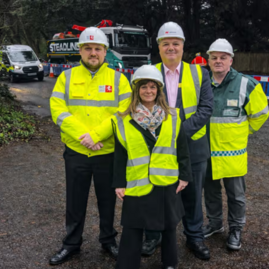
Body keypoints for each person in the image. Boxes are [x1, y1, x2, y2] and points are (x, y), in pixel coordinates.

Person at [48, 27, 132, 265]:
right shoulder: (66, 77)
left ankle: (108, 241)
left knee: (108, 200)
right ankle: (71, 244)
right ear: (81, 51)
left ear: (105, 51)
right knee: (75, 200)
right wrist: (84, 137)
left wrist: (96, 135)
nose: (93, 53)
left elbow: (123, 113)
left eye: (97, 48)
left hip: (107, 151)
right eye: (88, 48)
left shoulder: (119, 79)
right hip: (77, 151)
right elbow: (58, 111)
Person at [142, 22, 213, 261]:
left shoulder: (199, 73)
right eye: (166, 44)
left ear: (183, 46)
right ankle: (154, 235)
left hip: (193, 146)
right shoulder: (147, 72)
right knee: (157, 193)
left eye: (175, 43)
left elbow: (205, 109)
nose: (171, 48)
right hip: (157, 146)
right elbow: (139, 106)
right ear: (159, 47)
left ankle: (194, 237)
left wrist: (178, 132)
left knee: (193, 195)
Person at [113, 65, 192, 269]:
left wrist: (184, 176)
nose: (149, 91)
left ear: (159, 90)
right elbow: (120, 155)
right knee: (132, 227)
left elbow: (182, 148)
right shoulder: (123, 119)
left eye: (153, 87)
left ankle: (169, 263)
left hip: (166, 181)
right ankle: (127, 264)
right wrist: (119, 183)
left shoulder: (173, 117)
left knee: (168, 226)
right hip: (138, 182)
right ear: (136, 90)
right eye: (144, 87)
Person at [203, 38, 269, 250]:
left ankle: (236, 229)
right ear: (209, 60)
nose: (218, 61)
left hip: (233, 154)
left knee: (236, 196)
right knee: (210, 192)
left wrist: (243, 131)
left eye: (223, 57)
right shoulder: (201, 83)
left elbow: (261, 114)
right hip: (207, 152)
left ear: (231, 60)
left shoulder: (246, 84)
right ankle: (214, 224)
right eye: (214, 58)